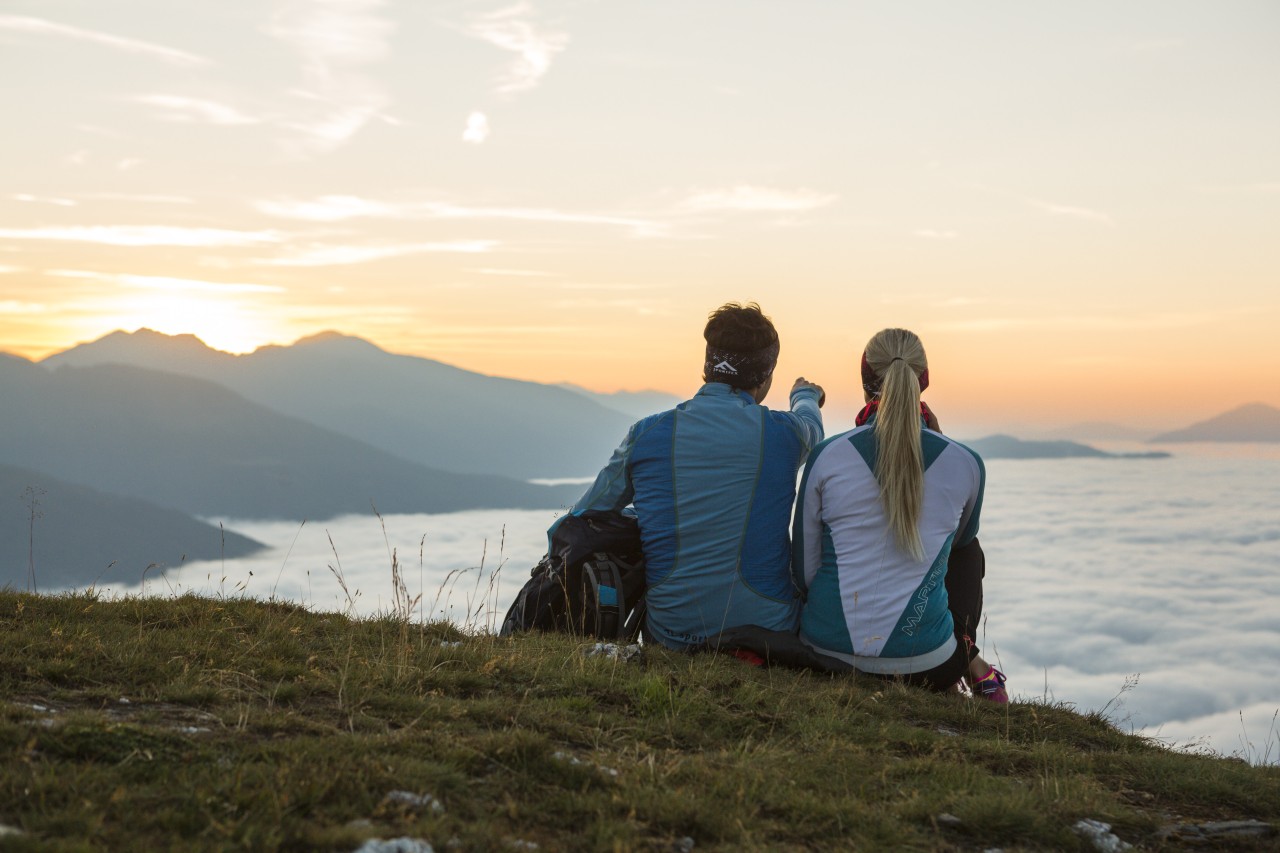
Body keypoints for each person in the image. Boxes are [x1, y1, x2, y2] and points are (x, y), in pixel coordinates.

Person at [551, 302, 825, 650]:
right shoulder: (787, 435)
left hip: (670, 635)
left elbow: (585, 514)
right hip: (769, 631)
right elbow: (812, 425)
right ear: (765, 375)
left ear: (707, 367)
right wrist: (805, 394)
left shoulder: (646, 434)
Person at [792, 328, 1008, 700]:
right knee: (968, 551)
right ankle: (970, 660)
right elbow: (954, 549)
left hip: (825, 655)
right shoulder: (966, 463)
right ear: (923, 382)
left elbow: (805, 573)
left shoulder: (828, 457)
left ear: (865, 382)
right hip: (928, 664)